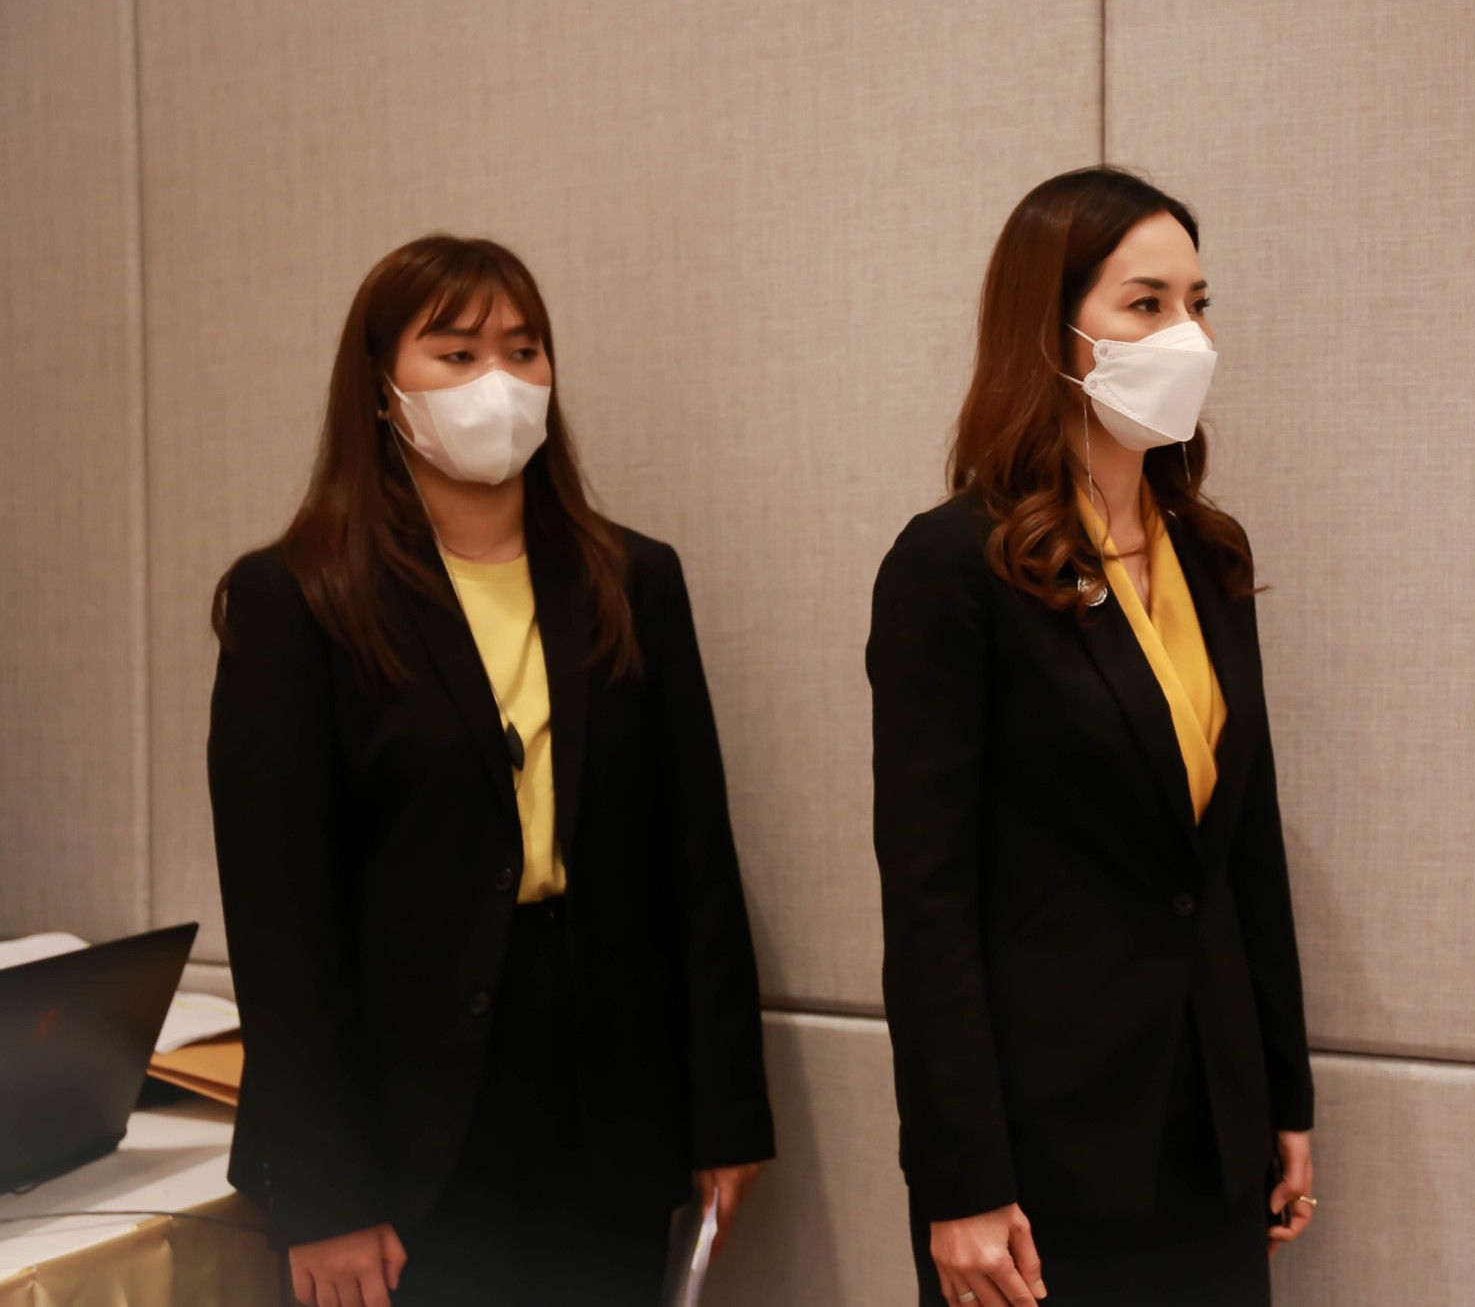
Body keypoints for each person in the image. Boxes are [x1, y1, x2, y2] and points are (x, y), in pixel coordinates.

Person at [207, 235, 773, 1306]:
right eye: (457, 355)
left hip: (606, 1096)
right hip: (401, 1122)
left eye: (522, 350)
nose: (498, 383)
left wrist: (725, 1117)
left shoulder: (632, 580)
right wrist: (326, 1195)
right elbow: (282, 927)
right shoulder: (298, 602)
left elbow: (694, 865)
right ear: (381, 392)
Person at [868, 167, 1317, 1307]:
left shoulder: (1207, 550)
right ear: (1049, 330)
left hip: (1211, 1126)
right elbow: (927, 904)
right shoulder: (952, 567)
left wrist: (1284, 1096)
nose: (1187, 336)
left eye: (1197, 303)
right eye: (1145, 304)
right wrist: (960, 1182)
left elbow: (1244, 849)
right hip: (1039, 1155)